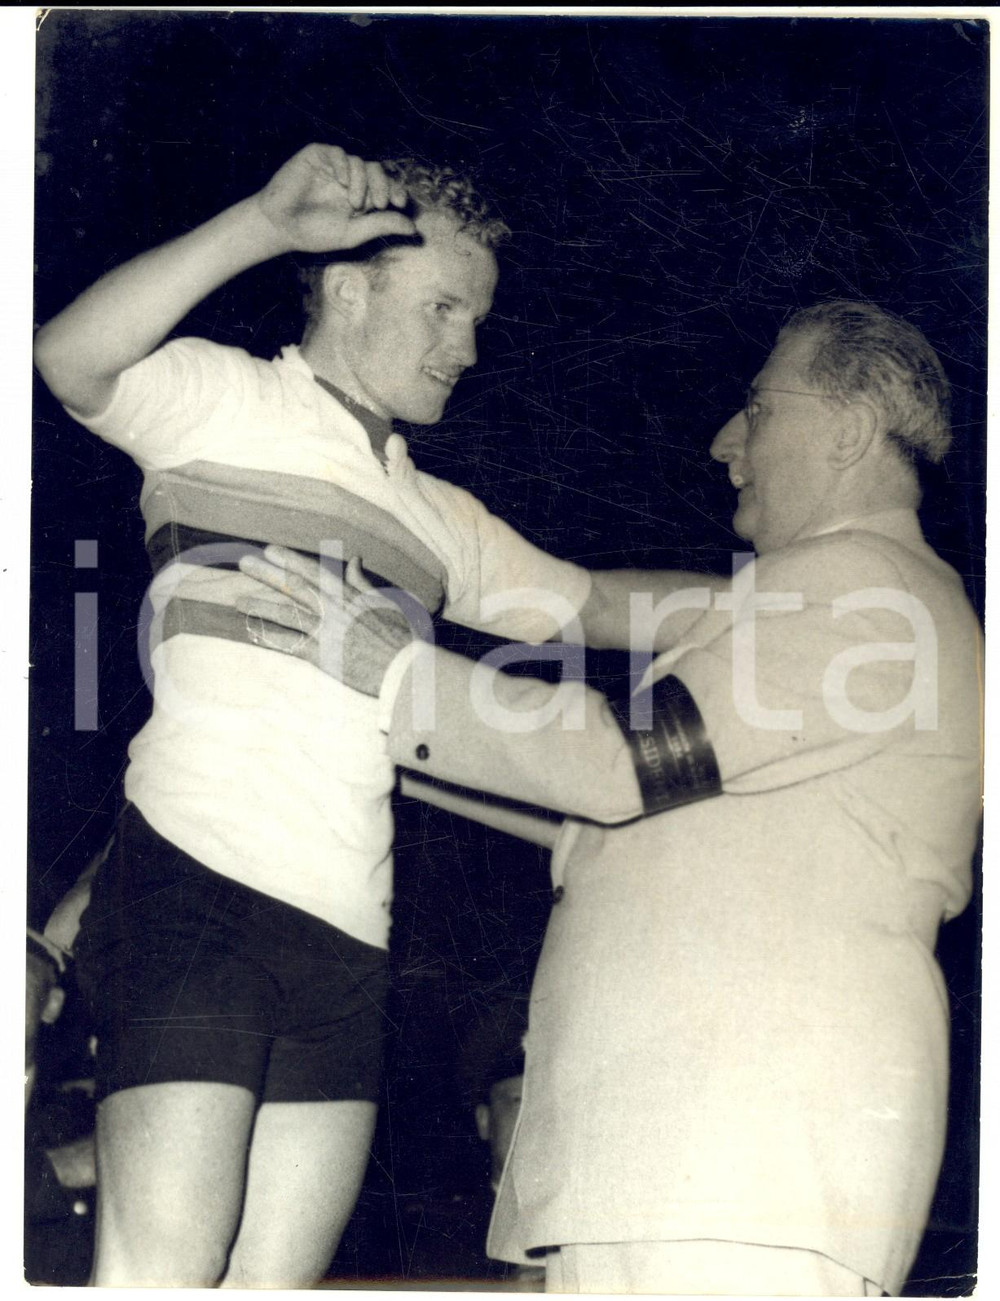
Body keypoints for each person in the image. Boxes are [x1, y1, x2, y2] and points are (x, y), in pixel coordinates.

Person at [239, 300, 983, 1296]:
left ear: (848, 429)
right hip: (682, 1165)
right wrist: (384, 728)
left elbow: (619, 761)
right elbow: (592, 786)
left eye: (757, 407)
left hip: (732, 1168)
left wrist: (399, 673)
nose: (726, 443)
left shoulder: (866, 590)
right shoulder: (826, 598)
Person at [31, 142, 596, 1287]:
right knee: (158, 1275)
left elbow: (601, 605)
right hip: (197, 890)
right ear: (347, 285)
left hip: (347, 936)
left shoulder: (439, 516)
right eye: (441, 306)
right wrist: (259, 222)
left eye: (476, 317)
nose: (466, 346)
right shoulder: (228, 399)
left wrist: (810, 583)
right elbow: (68, 356)